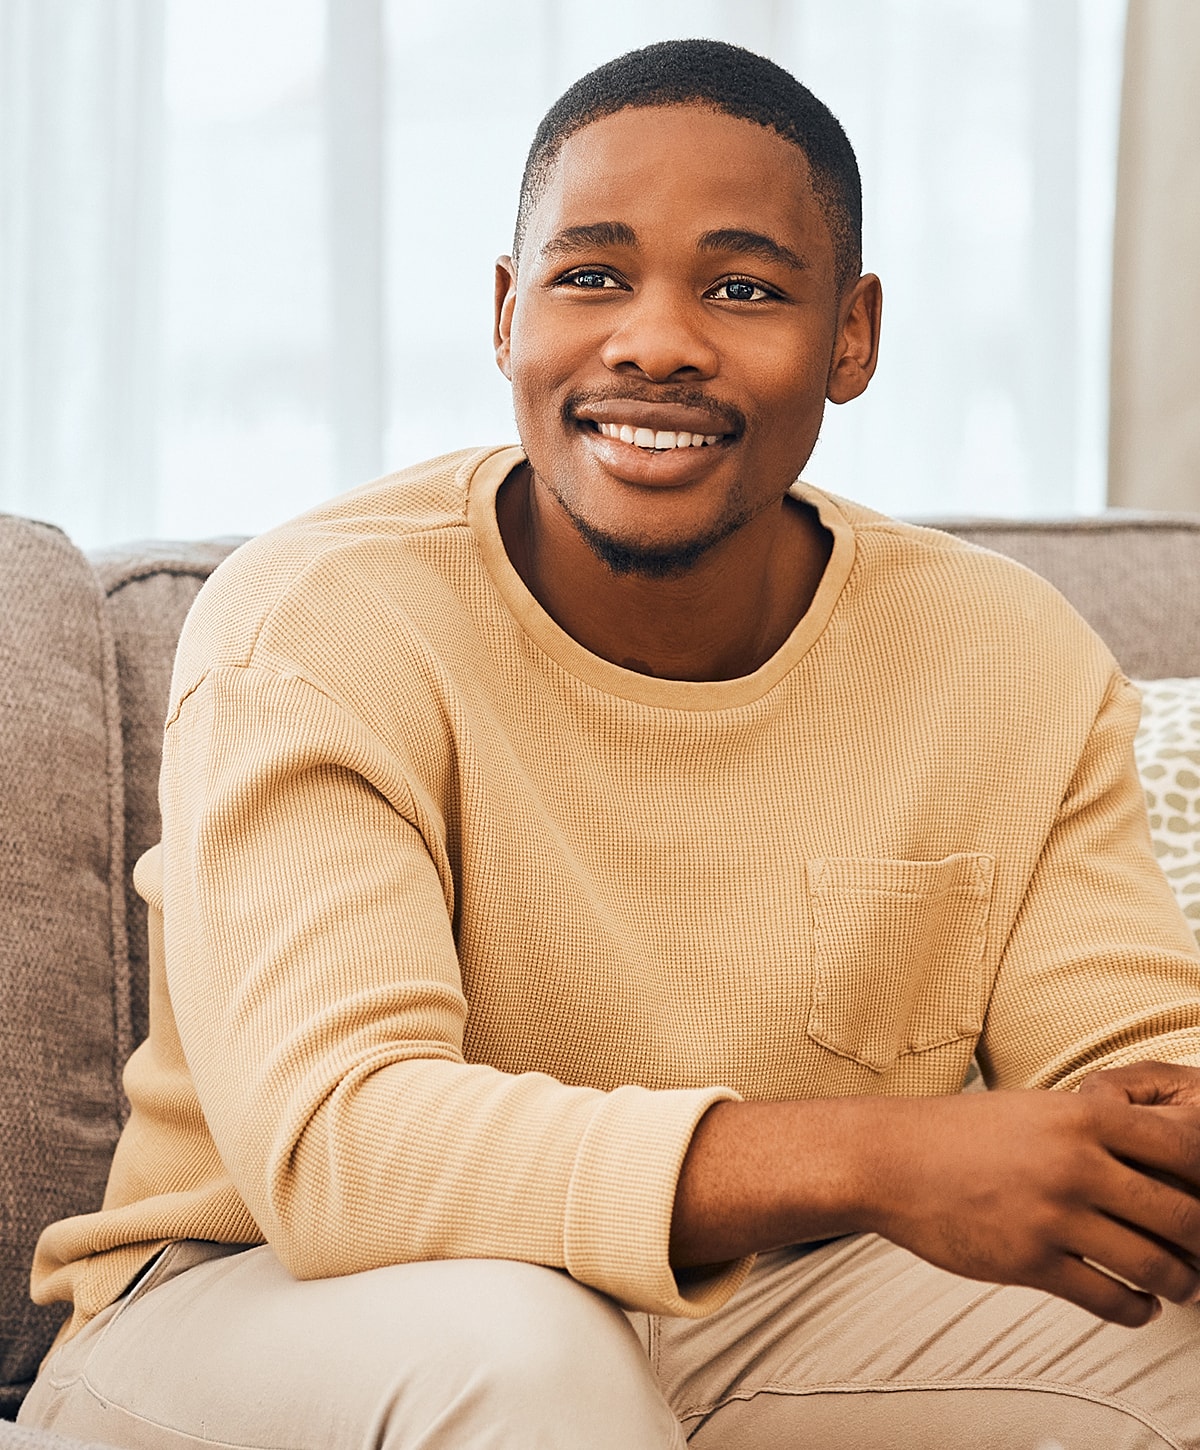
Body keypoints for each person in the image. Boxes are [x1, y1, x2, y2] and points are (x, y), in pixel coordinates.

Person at [19, 38, 1200, 1450]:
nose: (655, 340)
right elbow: (340, 1148)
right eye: (591, 277)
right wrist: (884, 1154)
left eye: (745, 287)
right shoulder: (319, 617)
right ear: (509, 315)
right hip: (258, 1308)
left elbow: (1134, 1078)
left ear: (853, 335)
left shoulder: (1004, 650)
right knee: (527, 1351)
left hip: (747, 1319)